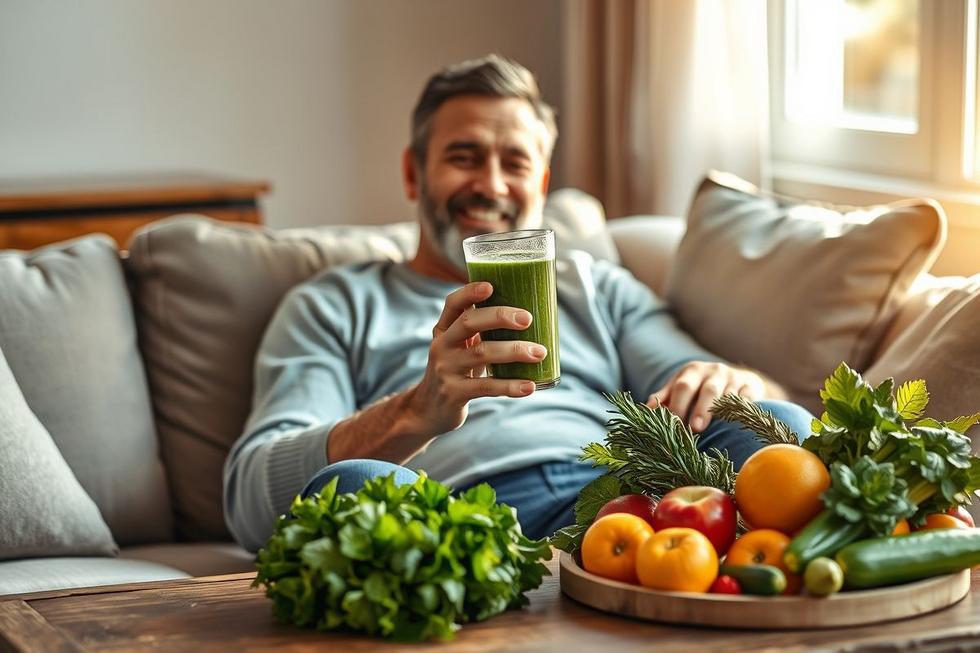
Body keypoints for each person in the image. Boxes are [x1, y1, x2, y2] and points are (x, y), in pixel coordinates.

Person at [224, 54, 813, 551]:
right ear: (413, 173)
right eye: (464, 157)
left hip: (615, 517)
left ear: (542, 182)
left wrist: (731, 381)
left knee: (780, 429)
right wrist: (413, 413)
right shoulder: (335, 305)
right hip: (448, 528)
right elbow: (250, 495)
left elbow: (714, 396)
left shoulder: (594, 285)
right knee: (350, 486)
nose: (493, 185)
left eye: (515, 163)